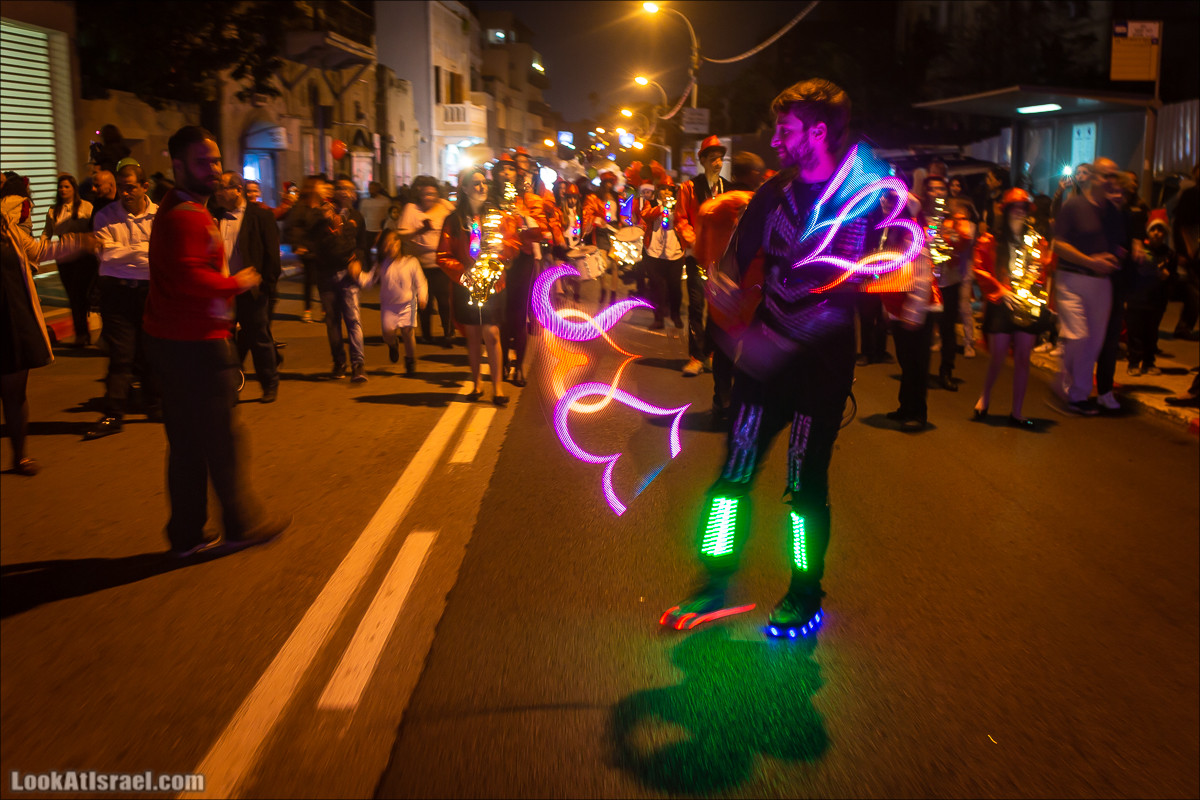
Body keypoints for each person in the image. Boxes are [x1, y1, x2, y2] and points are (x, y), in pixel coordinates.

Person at [663, 78, 868, 638]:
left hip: (822, 368)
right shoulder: (772, 195)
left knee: (803, 485)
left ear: (818, 132)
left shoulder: (862, 195)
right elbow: (732, 263)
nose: (776, 138)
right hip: (764, 358)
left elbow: (886, 265)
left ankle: (805, 591)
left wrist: (906, 274)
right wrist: (724, 290)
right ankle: (714, 581)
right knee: (732, 476)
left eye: (786, 128)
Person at [142, 125, 289, 558]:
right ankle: (242, 523)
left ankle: (186, 534)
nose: (212, 170)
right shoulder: (186, 215)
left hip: (174, 341)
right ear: (178, 165)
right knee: (223, 441)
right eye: (202, 162)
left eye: (216, 161)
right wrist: (234, 284)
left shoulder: (180, 206)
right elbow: (190, 277)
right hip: (197, 343)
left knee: (187, 443)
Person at [1, 211, 94, 475]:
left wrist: (79, 242)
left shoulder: (9, 229)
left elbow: (40, 250)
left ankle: (20, 456)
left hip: (13, 318)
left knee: (14, 393)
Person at [84, 164, 160, 440]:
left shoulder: (160, 216)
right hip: (117, 294)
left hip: (150, 293)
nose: (125, 193)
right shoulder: (105, 216)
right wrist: (144, 252)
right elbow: (105, 255)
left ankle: (155, 404)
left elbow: (162, 255)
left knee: (152, 351)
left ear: (144, 186)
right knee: (121, 354)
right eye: (121, 187)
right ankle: (114, 413)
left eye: (130, 187)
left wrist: (124, 253)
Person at [970, 188, 1055, 428]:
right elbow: (979, 268)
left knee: (1023, 358)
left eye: (1023, 208)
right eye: (1015, 208)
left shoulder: (1037, 241)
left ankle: (1017, 412)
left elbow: (1044, 269)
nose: (1019, 212)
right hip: (1001, 303)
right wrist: (1001, 290)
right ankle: (985, 396)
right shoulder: (992, 240)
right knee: (997, 356)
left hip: (1026, 304)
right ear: (1006, 211)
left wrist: (1038, 296)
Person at [437, 166, 520, 406]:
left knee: (492, 333)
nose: (482, 187)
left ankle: (497, 387)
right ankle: (476, 383)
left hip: (493, 282)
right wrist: (463, 273)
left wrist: (504, 250)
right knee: (472, 335)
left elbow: (513, 245)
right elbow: (443, 255)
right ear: (464, 188)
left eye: (484, 182)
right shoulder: (453, 221)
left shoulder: (497, 216)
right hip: (467, 285)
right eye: (476, 183)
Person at [695, 150, 767, 427]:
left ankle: (722, 402)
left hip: (721, 295)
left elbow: (701, 253)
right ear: (755, 175)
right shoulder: (765, 207)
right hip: (755, 293)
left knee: (723, 353)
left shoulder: (710, 208)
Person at [1050, 157, 1125, 415]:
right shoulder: (1074, 205)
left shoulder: (1113, 211)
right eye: (1106, 175)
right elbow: (1058, 244)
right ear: (1093, 177)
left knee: (1093, 342)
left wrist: (1116, 256)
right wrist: (1090, 261)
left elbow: (1118, 245)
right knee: (1078, 336)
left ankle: (1077, 396)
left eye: (1114, 176)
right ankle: (1065, 385)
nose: (1110, 181)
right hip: (1072, 279)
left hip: (1102, 284)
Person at [212, 170, 282, 402]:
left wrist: (266, 286)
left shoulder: (260, 216)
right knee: (225, 341)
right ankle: (230, 385)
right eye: (217, 188)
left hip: (251, 289)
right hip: (223, 289)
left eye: (223, 188)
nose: (218, 193)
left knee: (259, 338)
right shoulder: (214, 216)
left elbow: (272, 255)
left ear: (238, 190)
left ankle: (269, 383)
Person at [675, 134, 728, 377]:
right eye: (713, 158)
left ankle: (710, 353)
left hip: (719, 259)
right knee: (696, 306)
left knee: (716, 309)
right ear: (703, 161)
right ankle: (696, 357)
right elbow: (680, 219)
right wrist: (693, 242)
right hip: (696, 257)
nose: (717, 163)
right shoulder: (688, 187)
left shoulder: (728, 189)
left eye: (720, 159)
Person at [497, 152, 550, 387]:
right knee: (499, 316)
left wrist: (524, 217)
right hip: (496, 262)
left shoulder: (530, 200)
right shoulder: (491, 200)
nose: (505, 173)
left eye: (510, 169)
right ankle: (503, 362)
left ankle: (518, 367)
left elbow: (541, 230)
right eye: (502, 169)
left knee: (519, 316)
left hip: (522, 260)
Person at [312, 176, 372, 382]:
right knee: (332, 321)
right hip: (326, 274)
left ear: (354, 195)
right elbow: (314, 242)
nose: (346, 192)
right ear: (334, 192)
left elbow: (362, 245)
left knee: (353, 319)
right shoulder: (321, 214)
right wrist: (324, 220)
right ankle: (339, 362)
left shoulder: (357, 217)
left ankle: (358, 364)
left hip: (348, 275)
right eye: (341, 188)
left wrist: (358, 262)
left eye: (349, 189)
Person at [41, 174, 97, 347]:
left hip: (83, 255)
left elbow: (94, 227)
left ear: (74, 189)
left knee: (81, 293)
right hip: (64, 257)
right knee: (73, 296)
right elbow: (47, 232)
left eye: (67, 186)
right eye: (61, 187)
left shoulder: (85, 206)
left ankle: (85, 332)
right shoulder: (53, 210)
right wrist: (41, 250)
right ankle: (81, 333)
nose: (63, 190)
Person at [399, 175, 454, 347]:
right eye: (425, 194)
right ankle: (426, 335)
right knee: (424, 301)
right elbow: (400, 235)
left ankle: (448, 333)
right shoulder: (411, 209)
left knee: (444, 301)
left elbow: (457, 219)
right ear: (418, 194)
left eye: (432, 194)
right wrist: (420, 230)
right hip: (419, 264)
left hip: (441, 263)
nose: (428, 198)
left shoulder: (444, 207)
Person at [372, 229, 427, 376]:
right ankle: (393, 344)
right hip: (389, 306)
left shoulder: (411, 262)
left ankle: (410, 361)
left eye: (393, 242)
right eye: (386, 244)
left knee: (408, 333)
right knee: (387, 332)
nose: (390, 246)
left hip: (408, 304)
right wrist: (357, 276)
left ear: (399, 243)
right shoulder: (382, 264)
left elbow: (421, 282)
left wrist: (422, 296)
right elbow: (369, 280)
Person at [1125, 211, 1174, 376]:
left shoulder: (1169, 254)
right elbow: (1131, 273)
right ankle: (1133, 363)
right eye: (1153, 229)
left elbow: (1173, 278)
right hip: (1137, 299)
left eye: (1161, 230)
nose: (1157, 233)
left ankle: (1148, 362)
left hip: (1156, 301)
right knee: (1135, 333)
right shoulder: (1141, 251)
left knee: (1151, 334)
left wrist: (1167, 276)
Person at [640, 175, 685, 331]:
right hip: (654, 252)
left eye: (669, 190)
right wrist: (661, 207)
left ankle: (675, 314)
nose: (666, 192)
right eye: (664, 189)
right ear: (658, 190)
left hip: (675, 252)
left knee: (675, 287)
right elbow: (645, 215)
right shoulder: (651, 203)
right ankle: (658, 319)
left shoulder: (678, 205)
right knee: (657, 288)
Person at [283, 176, 328, 323]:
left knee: (323, 279)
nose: (323, 188)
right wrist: (297, 245)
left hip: (322, 248)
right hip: (307, 248)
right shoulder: (301, 206)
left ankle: (325, 309)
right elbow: (291, 226)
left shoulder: (324, 205)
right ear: (313, 187)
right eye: (321, 186)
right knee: (310, 279)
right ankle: (307, 310)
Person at [581, 170, 622, 307]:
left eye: (611, 182)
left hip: (615, 230)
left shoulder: (616, 196)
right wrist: (596, 219)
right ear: (603, 183)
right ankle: (604, 289)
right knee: (602, 263)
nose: (609, 185)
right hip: (601, 231)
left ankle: (613, 293)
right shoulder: (595, 197)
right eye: (607, 182)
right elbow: (588, 213)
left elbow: (622, 214)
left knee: (615, 264)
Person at [358, 180, 392, 249]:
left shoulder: (385, 201)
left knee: (381, 249)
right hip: (367, 230)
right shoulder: (364, 201)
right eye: (370, 188)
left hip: (380, 230)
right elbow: (362, 215)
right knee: (367, 249)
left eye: (373, 188)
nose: (371, 190)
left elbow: (388, 216)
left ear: (377, 189)